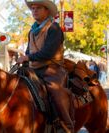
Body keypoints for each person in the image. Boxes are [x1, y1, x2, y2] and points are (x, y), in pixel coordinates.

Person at [17, 0, 74, 132]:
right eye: (32, 8)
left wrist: (28, 57)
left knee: (55, 92)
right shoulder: (31, 31)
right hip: (33, 69)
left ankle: (65, 126)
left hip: (52, 70)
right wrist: (25, 59)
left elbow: (48, 53)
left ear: (47, 11)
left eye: (38, 8)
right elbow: (28, 50)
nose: (34, 11)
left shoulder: (54, 28)